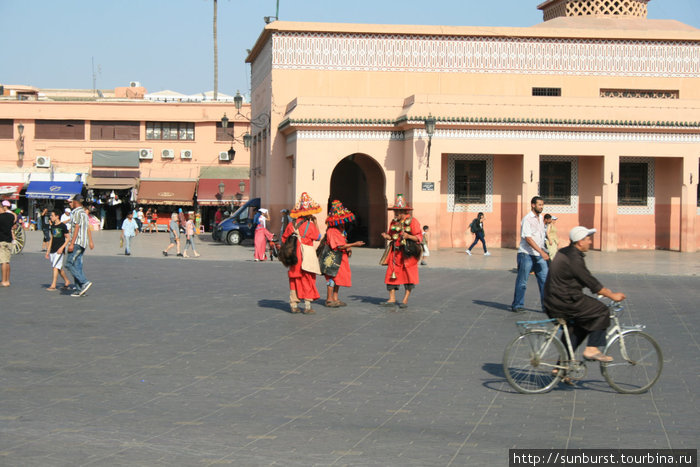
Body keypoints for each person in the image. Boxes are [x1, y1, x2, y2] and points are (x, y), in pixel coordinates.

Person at [544, 226, 626, 366]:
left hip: (555, 299)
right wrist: (612, 295)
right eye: (588, 239)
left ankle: (561, 367)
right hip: (565, 300)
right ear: (580, 242)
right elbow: (590, 282)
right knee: (601, 311)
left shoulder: (565, 252)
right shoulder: (574, 258)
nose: (590, 242)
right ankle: (592, 349)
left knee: (580, 326)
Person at [281, 192, 322, 314]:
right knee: (307, 279)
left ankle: (293, 304)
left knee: (294, 279)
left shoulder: (291, 224)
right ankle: (307, 306)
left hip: (294, 256)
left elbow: (284, 239)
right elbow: (318, 237)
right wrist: (315, 223)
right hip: (306, 256)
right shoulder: (310, 225)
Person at [380, 194, 423, 309]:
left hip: (408, 255)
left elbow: (419, 237)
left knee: (408, 276)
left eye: (397, 212)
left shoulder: (413, 222)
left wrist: (408, 236)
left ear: (404, 211)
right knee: (391, 275)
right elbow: (391, 236)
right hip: (395, 254)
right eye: (395, 211)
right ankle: (392, 298)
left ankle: (405, 300)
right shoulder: (393, 223)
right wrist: (387, 236)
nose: (395, 214)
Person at [323, 200, 365, 307]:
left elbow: (343, 242)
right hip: (333, 257)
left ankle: (335, 298)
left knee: (339, 277)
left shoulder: (341, 230)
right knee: (332, 277)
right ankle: (329, 299)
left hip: (341, 257)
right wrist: (354, 244)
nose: (343, 222)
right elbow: (339, 246)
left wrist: (349, 249)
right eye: (341, 220)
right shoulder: (332, 231)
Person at [511, 196, 549, 313]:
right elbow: (528, 238)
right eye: (539, 205)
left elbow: (541, 237)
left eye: (542, 205)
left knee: (544, 281)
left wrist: (544, 251)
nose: (541, 207)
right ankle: (517, 305)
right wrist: (541, 251)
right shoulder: (527, 219)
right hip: (526, 254)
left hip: (539, 255)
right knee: (522, 281)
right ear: (533, 205)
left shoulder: (541, 218)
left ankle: (546, 306)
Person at [65, 194, 94, 297]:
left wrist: (72, 243)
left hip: (77, 242)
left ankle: (84, 282)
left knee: (68, 264)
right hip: (83, 242)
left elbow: (77, 227)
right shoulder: (84, 213)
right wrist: (90, 241)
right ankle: (80, 289)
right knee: (77, 265)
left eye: (70, 202)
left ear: (76, 202)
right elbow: (87, 228)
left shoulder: (77, 212)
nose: (70, 204)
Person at [45, 209, 72, 290]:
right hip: (53, 249)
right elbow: (52, 238)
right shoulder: (52, 226)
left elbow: (68, 238)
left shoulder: (63, 226)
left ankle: (53, 285)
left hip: (59, 250)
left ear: (57, 216)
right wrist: (48, 251)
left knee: (55, 267)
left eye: (52, 215)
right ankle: (67, 281)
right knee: (58, 268)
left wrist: (62, 248)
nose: (51, 217)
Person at [0, 200, 17, 287]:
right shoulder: (11, 216)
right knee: (7, 262)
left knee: (3, 262)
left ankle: (3, 281)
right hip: (9, 240)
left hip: (1, 241)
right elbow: (14, 225)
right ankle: (7, 280)